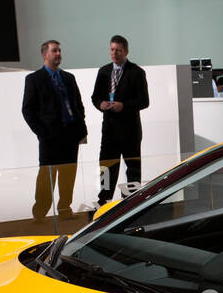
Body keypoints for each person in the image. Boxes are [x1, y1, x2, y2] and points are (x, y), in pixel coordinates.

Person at [22, 39, 87, 222]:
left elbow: (78, 105)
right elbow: (27, 109)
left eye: (59, 50)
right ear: (45, 55)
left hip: (70, 135)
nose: (58, 54)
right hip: (49, 137)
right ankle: (40, 213)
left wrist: (81, 130)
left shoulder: (68, 78)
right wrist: (41, 132)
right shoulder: (34, 79)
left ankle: (65, 209)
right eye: (54, 51)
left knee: (68, 175)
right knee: (46, 177)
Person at [90, 34, 148, 209]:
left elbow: (144, 101)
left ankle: (130, 203)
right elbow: (95, 97)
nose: (114, 53)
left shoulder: (136, 72)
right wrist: (101, 104)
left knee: (133, 168)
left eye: (118, 50)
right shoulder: (104, 71)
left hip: (130, 130)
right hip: (109, 130)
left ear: (126, 51)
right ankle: (104, 201)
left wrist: (124, 106)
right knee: (107, 168)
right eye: (112, 49)